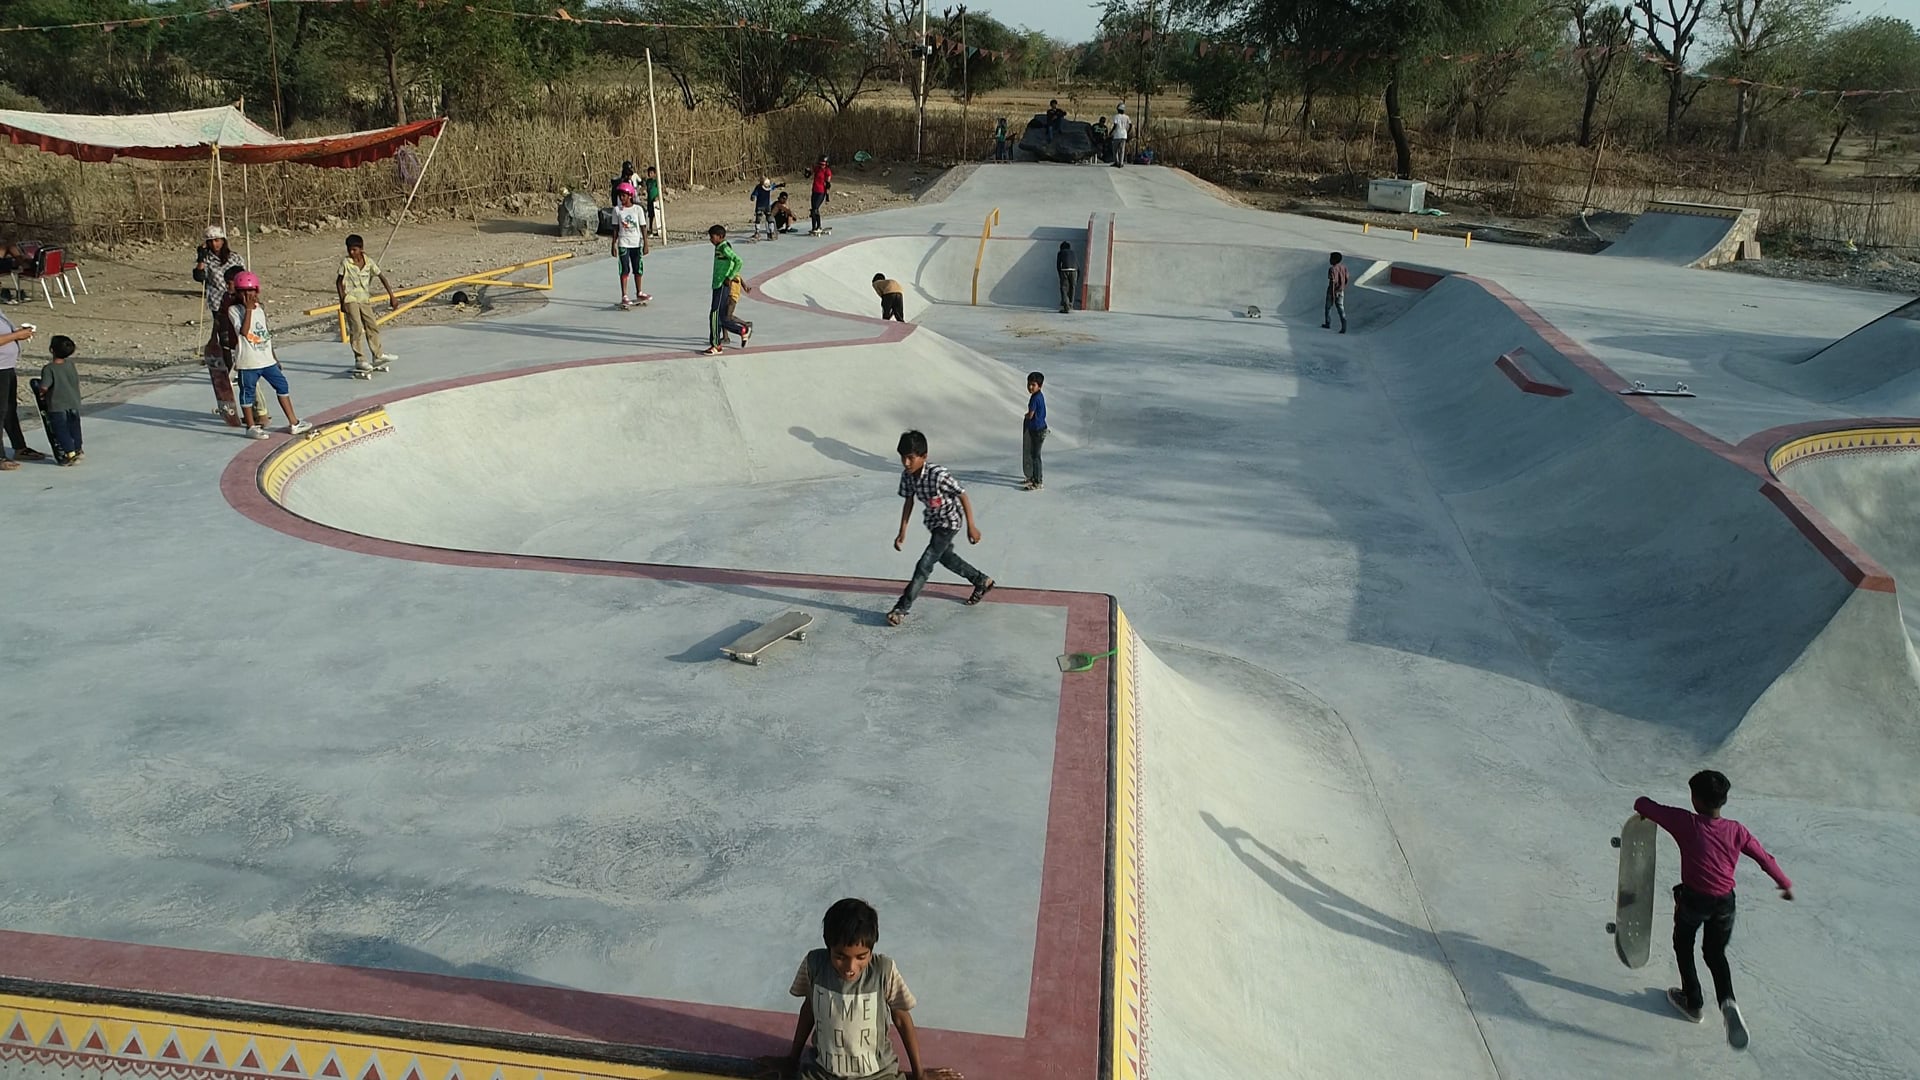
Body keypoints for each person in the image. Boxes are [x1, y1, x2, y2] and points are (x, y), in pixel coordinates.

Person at [1634, 770, 1793, 1041]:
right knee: (1715, 953)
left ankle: (1693, 1001)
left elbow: (1643, 805)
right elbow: (1765, 858)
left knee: (1683, 943)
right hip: (1725, 902)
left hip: (1695, 899)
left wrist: (1643, 803)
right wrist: (1784, 883)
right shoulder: (1737, 830)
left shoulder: (1686, 823)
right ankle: (1728, 1002)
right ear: (1724, 800)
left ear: (1695, 798)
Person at [770, 898, 961, 1080]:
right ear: (828, 945)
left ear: (872, 949)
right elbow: (809, 1009)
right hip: (822, 1073)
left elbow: (902, 1019)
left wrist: (919, 1073)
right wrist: (791, 1060)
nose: (850, 967)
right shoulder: (814, 964)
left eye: (861, 957)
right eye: (840, 956)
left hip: (877, 1074)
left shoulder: (883, 971)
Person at [888, 429, 993, 626]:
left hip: (950, 522)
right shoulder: (907, 476)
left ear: (924, 457)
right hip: (934, 523)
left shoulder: (938, 475)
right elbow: (908, 502)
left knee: (925, 564)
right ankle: (981, 581)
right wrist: (902, 531)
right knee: (946, 558)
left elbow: (962, 495)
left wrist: (972, 526)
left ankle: (901, 608)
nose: (906, 463)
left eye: (910, 458)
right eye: (903, 458)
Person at [227, 271, 312, 440]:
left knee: (282, 386)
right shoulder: (234, 310)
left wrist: (274, 357)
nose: (248, 295)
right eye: (243, 291)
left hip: (266, 359)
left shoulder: (260, 309)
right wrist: (248, 310)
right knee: (247, 393)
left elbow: (265, 334)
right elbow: (243, 332)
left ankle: (294, 422)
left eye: (251, 291)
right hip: (248, 361)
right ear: (237, 293)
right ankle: (251, 426)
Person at [336, 234, 399, 374]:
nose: (352, 253)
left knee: (372, 325)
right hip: (351, 299)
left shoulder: (369, 262)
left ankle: (377, 355)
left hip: (364, 299)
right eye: (349, 250)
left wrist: (392, 296)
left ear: (361, 249)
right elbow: (339, 282)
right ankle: (360, 359)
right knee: (357, 327)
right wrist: (342, 300)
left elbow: (382, 277)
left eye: (354, 250)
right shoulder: (346, 263)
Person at [195, 225, 244, 374]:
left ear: (223, 240)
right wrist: (201, 257)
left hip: (235, 300)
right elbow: (199, 276)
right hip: (218, 302)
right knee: (224, 337)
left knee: (238, 333)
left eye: (217, 240)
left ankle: (242, 364)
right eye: (211, 241)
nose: (215, 244)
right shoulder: (208, 259)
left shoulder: (235, 257)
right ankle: (229, 369)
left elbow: (243, 277)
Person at [0, 311, 46, 468]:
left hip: (6, 366)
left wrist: (19, 333)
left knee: (10, 409)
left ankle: (19, 447)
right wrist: (16, 336)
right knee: (1, 411)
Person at [704, 225, 752, 356]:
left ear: (720, 237)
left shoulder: (724, 247)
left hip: (722, 285)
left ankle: (716, 345)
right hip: (717, 285)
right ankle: (742, 330)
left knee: (714, 315)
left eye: (712, 237)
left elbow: (738, 261)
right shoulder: (719, 248)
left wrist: (729, 277)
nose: (711, 240)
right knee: (722, 317)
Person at [36, 335, 82, 466]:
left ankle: (69, 453)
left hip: (57, 405)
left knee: (61, 429)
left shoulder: (49, 369)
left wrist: (41, 392)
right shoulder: (70, 365)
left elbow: (44, 386)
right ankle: (78, 448)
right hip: (73, 402)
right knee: (74, 427)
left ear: (51, 350)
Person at [611, 183, 652, 308]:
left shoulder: (638, 209)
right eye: (620, 196)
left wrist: (646, 243)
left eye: (624, 195)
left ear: (630, 196)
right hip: (624, 243)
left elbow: (643, 227)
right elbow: (615, 229)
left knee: (638, 268)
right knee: (624, 269)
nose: (621, 198)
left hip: (636, 243)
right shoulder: (617, 210)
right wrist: (613, 244)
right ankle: (624, 295)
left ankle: (639, 292)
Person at [1021, 371, 1047, 491]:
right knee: (1033, 454)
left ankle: (1038, 481)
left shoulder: (1034, 399)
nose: (1030, 387)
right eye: (1029, 384)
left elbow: (1031, 415)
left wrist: (1026, 416)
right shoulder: (1039, 396)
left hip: (1037, 430)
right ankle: (1032, 477)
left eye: (1033, 385)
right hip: (1040, 428)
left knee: (1035, 456)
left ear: (1039, 386)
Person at [1324, 251, 1349, 333]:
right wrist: (1342, 287)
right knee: (1341, 309)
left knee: (1328, 307)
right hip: (1341, 291)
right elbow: (1347, 279)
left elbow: (1332, 282)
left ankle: (1328, 323)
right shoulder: (1344, 268)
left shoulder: (1332, 269)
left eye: (1331, 259)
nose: (1329, 260)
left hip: (1332, 291)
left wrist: (1332, 293)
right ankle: (1344, 326)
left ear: (1334, 260)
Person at [807, 155, 833, 236]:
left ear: (826, 164)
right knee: (813, 210)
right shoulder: (817, 168)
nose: (821, 166)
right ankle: (813, 227)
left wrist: (827, 196)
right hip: (814, 191)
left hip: (821, 192)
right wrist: (807, 172)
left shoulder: (827, 171)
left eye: (823, 164)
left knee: (815, 209)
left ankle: (819, 226)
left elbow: (828, 184)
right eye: (820, 164)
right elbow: (808, 175)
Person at [1055, 241, 1077, 314]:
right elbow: (1076, 264)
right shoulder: (1073, 252)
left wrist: (1060, 274)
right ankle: (1071, 303)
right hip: (1074, 270)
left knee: (1064, 288)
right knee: (1072, 287)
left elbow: (1058, 265)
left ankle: (1066, 306)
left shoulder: (1060, 252)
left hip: (1064, 270)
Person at [643, 165, 662, 235]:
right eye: (649, 173)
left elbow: (661, 189)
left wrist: (657, 196)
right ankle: (650, 229)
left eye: (651, 173)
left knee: (657, 215)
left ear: (654, 173)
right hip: (650, 200)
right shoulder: (648, 181)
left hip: (656, 201)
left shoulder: (656, 181)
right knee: (650, 216)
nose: (650, 174)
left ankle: (659, 230)